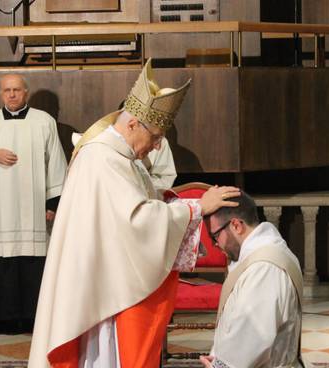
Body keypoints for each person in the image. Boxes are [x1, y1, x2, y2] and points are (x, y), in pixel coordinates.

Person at [28, 59, 240, 368]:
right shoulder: (104, 159)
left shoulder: (117, 156)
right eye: (155, 137)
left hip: (104, 282)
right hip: (103, 293)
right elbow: (137, 222)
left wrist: (167, 201)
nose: (156, 147)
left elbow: (134, 208)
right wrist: (197, 207)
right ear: (131, 125)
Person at [0, 74, 67, 331]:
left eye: (17, 89)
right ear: (0, 93)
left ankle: (33, 317)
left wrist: (52, 204)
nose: (12, 95)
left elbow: (57, 165)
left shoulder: (44, 121)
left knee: (33, 260)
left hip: (34, 207)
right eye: (7, 90)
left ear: (26, 92)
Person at [200, 192, 305, 368]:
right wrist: (218, 356)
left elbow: (251, 337)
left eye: (215, 236)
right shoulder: (265, 250)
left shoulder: (263, 269)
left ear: (236, 225)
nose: (215, 245)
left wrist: (219, 365)